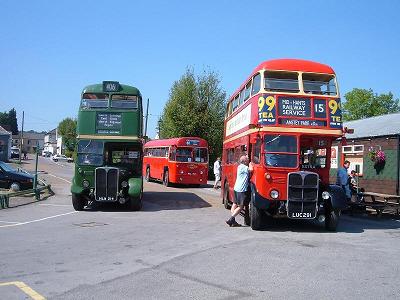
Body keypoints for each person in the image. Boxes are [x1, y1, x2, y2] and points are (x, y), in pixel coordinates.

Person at [226, 155, 253, 227]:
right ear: (244, 161)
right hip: (242, 189)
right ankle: (231, 219)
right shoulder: (244, 167)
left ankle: (233, 221)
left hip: (236, 188)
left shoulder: (239, 166)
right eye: (247, 159)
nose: (248, 159)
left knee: (234, 204)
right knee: (241, 206)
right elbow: (251, 169)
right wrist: (251, 163)